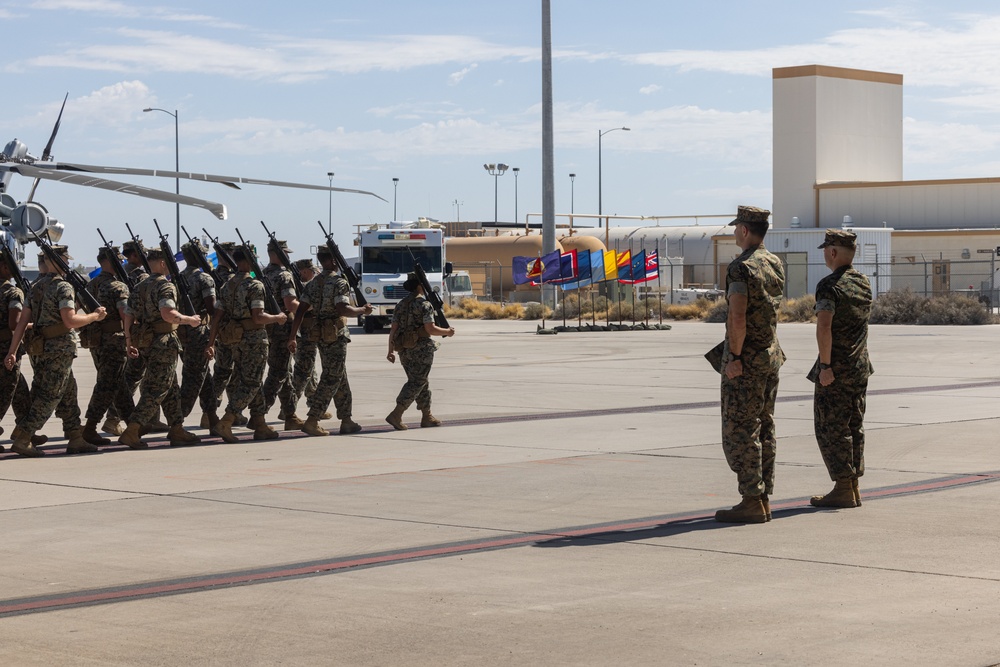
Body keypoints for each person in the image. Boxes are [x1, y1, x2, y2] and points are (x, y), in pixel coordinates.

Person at [715, 205, 786, 524]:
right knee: (764, 424)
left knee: (740, 427)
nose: (733, 233)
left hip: (747, 359)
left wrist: (735, 357)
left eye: (735, 228)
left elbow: (738, 315)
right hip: (770, 355)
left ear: (745, 230)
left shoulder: (741, 267)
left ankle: (752, 499)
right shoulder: (774, 262)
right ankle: (763, 495)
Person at [4, 246, 108, 457]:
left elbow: (22, 323)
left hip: (40, 349)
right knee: (49, 395)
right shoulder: (63, 287)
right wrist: (94, 317)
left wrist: (12, 351)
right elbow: (69, 320)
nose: (68, 264)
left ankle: (75, 437)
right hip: (59, 349)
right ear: (59, 262)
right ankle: (24, 437)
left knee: (68, 390)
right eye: (65, 260)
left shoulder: (35, 287)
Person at [809, 229, 873, 509]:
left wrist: (825, 366)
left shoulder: (829, 285)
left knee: (831, 428)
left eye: (826, 249)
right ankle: (853, 484)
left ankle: (844, 487)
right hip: (859, 366)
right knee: (854, 425)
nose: (824, 253)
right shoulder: (863, 282)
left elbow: (824, 326)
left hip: (836, 369)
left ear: (833, 252)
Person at [119, 248, 203, 449]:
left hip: (146, 342)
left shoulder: (140, 286)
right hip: (163, 342)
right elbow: (168, 314)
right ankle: (133, 429)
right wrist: (190, 320)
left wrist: (129, 341)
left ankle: (177, 428)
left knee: (170, 387)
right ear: (164, 263)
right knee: (158, 388)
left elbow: (128, 315)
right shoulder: (165, 286)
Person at [287, 246, 371, 436]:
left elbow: (300, 311)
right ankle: (313, 419)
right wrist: (362, 311)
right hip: (336, 335)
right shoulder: (339, 283)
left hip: (321, 336)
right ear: (333, 261)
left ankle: (346, 419)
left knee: (340, 376)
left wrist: (293, 336)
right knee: (332, 377)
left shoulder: (313, 284)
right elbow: (343, 309)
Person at [206, 246, 287, 443]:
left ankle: (259, 423)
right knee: (251, 382)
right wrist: (278, 317)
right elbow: (258, 317)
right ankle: (227, 420)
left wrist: (211, 342)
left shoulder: (227, 286)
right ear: (248, 262)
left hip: (235, 341)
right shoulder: (254, 286)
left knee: (252, 380)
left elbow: (216, 317)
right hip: (254, 340)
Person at [385, 273, 455, 430]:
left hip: (404, 349)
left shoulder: (401, 304)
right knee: (417, 382)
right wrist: (447, 331)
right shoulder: (424, 305)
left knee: (421, 382)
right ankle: (396, 414)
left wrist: (390, 350)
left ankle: (426, 415)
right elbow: (430, 329)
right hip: (421, 350)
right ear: (419, 286)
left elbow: (393, 329)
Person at [80, 245, 134, 446]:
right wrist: (131, 337)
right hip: (114, 340)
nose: (122, 263)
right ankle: (90, 427)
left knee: (118, 384)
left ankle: (133, 423)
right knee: (107, 384)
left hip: (96, 340)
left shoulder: (91, 285)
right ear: (110, 262)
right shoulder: (117, 286)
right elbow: (125, 314)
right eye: (119, 261)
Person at [0, 257, 46, 452]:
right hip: (6, 348)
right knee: (5, 393)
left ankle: (25, 430)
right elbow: (14, 324)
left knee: (20, 392)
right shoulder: (12, 292)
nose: (14, 269)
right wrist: (36, 324)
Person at [261, 239, 302, 430]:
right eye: (286, 253)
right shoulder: (284, 276)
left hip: (268, 328)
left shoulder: (263, 274)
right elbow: (290, 304)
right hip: (283, 329)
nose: (288, 257)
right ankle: (258, 414)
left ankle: (290, 414)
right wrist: (310, 309)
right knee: (278, 374)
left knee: (285, 372)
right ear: (276, 254)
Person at [178, 240, 218, 431]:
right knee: (194, 378)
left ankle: (211, 416)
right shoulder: (204, 279)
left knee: (204, 377)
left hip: (182, 332)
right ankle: (176, 420)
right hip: (199, 333)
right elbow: (211, 308)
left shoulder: (177, 278)